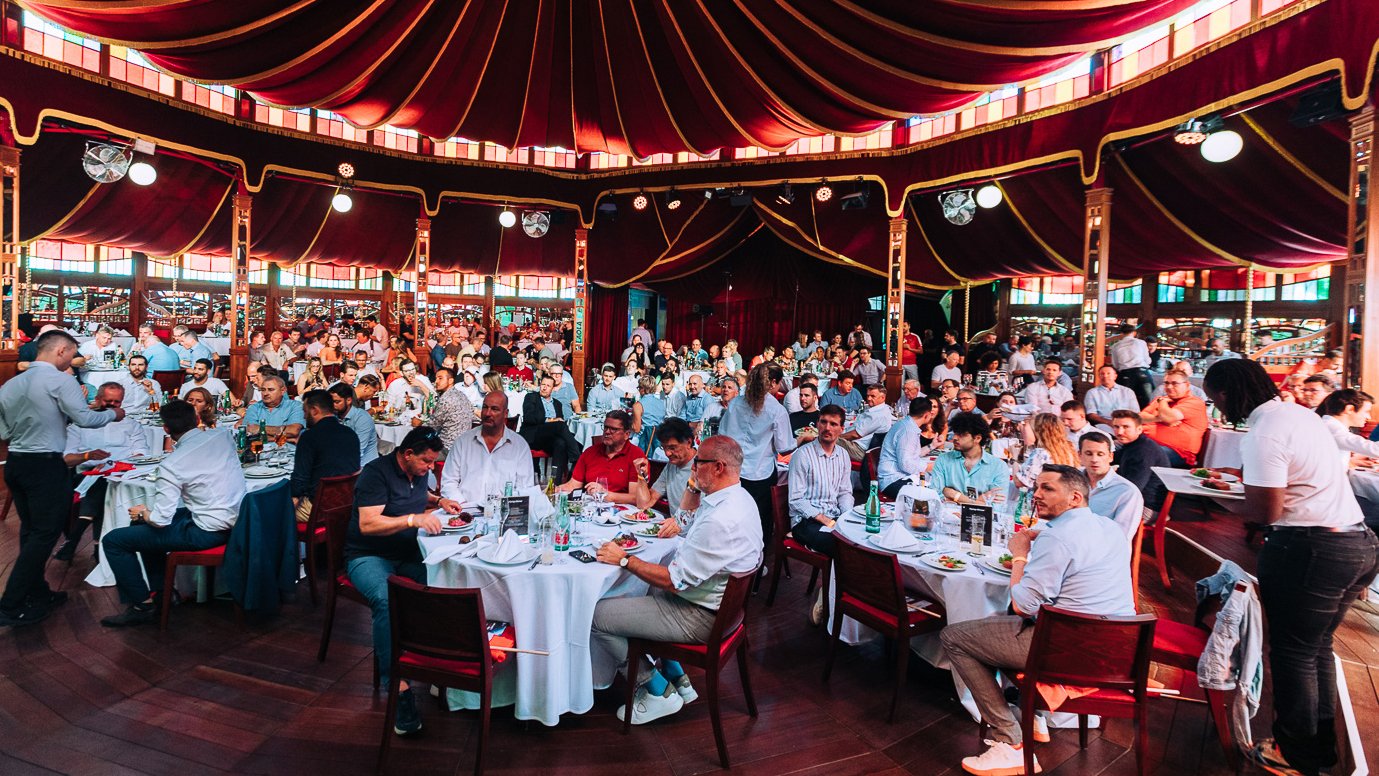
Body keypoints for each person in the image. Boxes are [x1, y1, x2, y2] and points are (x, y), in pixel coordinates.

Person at [1202, 359, 1379, 776]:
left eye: (1215, 400)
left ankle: (1295, 753)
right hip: (1356, 542)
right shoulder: (1300, 415)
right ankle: (1316, 748)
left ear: (1225, 394)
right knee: (1315, 648)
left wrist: (1215, 495)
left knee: (1293, 653)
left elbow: (1265, 511)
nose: (1218, 409)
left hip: (1311, 549)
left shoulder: (1263, 431)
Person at [941, 465, 1135, 776]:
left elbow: (1021, 605)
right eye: (1037, 487)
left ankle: (1010, 742)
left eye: (1047, 489)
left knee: (955, 637)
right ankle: (1032, 717)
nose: (1036, 494)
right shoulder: (1109, 528)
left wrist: (1020, 554)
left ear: (1074, 497)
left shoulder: (1058, 538)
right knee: (999, 629)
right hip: (1116, 649)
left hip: (1069, 650)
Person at [591, 435, 762, 724]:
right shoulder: (738, 499)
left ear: (718, 467)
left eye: (698, 463)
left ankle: (656, 690)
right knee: (643, 589)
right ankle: (677, 676)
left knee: (596, 616)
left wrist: (624, 559)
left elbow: (674, 581)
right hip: (723, 609)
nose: (692, 468)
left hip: (700, 616)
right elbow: (682, 523)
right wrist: (694, 486)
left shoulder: (720, 519)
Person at [0, 331, 125, 626]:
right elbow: (85, 419)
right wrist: (114, 415)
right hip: (45, 465)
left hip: (16, 462)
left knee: (31, 530)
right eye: (71, 354)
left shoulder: (11, 384)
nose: (73, 360)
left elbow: (3, 430)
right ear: (60, 351)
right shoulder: (61, 380)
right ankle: (10, 604)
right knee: (45, 533)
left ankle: (38, 592)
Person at [99, 401, 246, 627]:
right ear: (197, 419)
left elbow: (161, 520)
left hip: (207, 532)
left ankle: (141, 606)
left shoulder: (172, 465)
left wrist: (144, 512)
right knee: (139, 527)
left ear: (165, 429)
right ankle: (163, 593)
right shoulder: (222, 436)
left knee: (113, 541)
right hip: (237, 520)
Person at [345, 426, 447, 737]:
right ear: (407, 454)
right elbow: (368, 523)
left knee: (444, 584)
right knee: (386, 599)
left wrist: (439, 501)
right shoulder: (376, 474)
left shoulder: (418, 472)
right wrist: (413, 519)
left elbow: (417, 494)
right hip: (368, 555)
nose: (431, 467)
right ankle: (398, 687)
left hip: (406, 553)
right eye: (427, 461)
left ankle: (436, 666)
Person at [55, 382, 149, 562]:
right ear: (97, 399)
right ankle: (98, 547)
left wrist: (116, 466)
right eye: (108, 401)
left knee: (103, 484)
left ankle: (75, 539)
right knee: (101, 484)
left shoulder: (131, 425)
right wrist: (87, 456)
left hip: (122, 473)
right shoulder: (79, 426)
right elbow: (66, 458)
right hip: (86, 475)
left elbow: (141, 452)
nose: (112, 405)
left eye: (117, 402)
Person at [719, 363, 795, 542]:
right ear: (773, 382)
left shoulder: (736, 403)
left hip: (732, 470)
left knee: (732, 516)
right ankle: (757, 556)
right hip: (759, 473)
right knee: (760, 520)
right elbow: (784, 447)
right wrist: (800, 440)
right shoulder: (776, 410)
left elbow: (722, 433)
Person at [437, 391, 534, 508]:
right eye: (485, 407)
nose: (488, 413)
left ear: (505, 413)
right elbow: (448, 482)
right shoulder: (463, 442)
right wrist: (462, 506)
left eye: (494, 409)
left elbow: (525, 489)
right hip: (464, 510)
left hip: (502, 513)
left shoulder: (519, 446)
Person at [788, 404, 853, 564]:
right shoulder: (802, 455)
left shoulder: (843, 455)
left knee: (858, 540)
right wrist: (826, 521)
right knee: (842, 547)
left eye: (833, 424)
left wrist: (847, 518)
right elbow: (795, 500)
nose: (827, 428)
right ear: (817, 424)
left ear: (842, 429)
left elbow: (844, 492)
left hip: (833, 517)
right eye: (823, 422)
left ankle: (838, 579)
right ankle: (836, 581)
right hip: (806, 521)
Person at [290, 390, 362, 523]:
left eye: (305, 411)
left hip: (318, 508)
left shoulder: (309, 437)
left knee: (272, 510)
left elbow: (299, 481)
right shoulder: (350, 434)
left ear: (314, 410)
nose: (304, 417)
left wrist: (290, 503)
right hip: (346, 505)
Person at [559, 409, 648, 504]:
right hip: (590, 507)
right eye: (605, 427)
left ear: (627, 434)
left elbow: (636, 498)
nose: (607, 432)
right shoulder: (590, 452)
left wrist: (606, 494)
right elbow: (573, 485)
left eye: (613, 429)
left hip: (621, 510)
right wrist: (555, 489)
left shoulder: (636, 456)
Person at [929, 414, 1006, 505]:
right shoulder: (943, 460)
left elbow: (998, 506)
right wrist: (980, 502)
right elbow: (935, 496)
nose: (954, 438)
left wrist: (954, 495)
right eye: (955, 433)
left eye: (962, 435)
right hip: (948, 513)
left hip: (978, 515)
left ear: (977, 438)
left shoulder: (998, 466)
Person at [1079, 431, 1143, 539]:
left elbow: (1121, 536)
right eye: (1089, 454)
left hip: (1102, 547)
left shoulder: (1127, 492)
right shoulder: (1070, 480)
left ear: (1110, 457)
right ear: (1079, 455)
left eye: (1100, 454)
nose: (1094, 460)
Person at [1140, 369, 1209, 467]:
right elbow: (1139, 418)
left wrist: (1162, 404)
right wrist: (1159, 418)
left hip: (1178, 453)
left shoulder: (1194, 403)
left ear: (1187, 385)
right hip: (1146, 443)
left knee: (1142, 453)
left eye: (1174, 383)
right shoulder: (1160, 400)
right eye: (1166, 383)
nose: (1169, 387)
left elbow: (1168, 417)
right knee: (1118, 447)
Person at [520, 375, 582, 482]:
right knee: (561, 425)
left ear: (553, 389)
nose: (544, 388)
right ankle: (577, 458)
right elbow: (529, 418)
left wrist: (555, 422)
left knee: (560, 443)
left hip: (550, 438)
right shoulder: (531, 397)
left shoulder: (557, 404)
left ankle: (555, 483)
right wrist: (550, 420)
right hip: (534, 434)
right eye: (543, 384)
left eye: (548, 386)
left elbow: (559, 427)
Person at [630, 419, 698, 513]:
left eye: (672, 448)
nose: (667, 453)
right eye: (664, 448)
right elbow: (644, 504)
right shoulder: (671, 466)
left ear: (689, 442)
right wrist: (641, 476)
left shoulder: (703, 466)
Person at [1109, 409, 1169, 512]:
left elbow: (1132, 489)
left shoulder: (1143, 451)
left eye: (1126, 427)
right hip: (1135, 498)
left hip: (1146, 507)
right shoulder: (1132, 444)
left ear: (1139, 429)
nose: (1119, 432)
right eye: (1116, 427)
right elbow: (1111, 459)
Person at [878, 397, 938, 498]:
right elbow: (906, 465)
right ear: (927, 415)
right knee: (933, 494)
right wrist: (932, 466)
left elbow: (912, 454)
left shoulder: (907, 424)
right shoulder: (908, 431)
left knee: (936, 484)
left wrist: (932, 445)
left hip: (899, 477)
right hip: (893, 480)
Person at [1015, 412, 1080, 490]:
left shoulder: (1041, 453)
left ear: (1036, 432)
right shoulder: (1069, 448)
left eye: (1026, 427)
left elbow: (1020, 483)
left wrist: (1014, 458)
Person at [1318, 389, 1379, 467]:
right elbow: (1375, 449)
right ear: (1350, 409)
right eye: (1366, 411)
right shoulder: (1333, 429)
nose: (1368, 417)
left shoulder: (1326, 425)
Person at [837, 383, 893, 462]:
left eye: (873, 396)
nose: (869, 398)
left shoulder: (878, 415)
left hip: (860, 450)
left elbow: (855, 435)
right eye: (868, 396)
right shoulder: (880, 409)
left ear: (883, 398)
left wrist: (837, 437)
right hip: (859, 446)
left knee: (825, 438)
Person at [243, 374, 306, 441]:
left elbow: (293, 431)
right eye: (263, 390)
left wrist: (260, 428)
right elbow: (250, 432)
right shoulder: (254, 408)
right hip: (260, 447)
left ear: (283, 391)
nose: (265, 393)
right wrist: (286, 437)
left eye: (271, 390)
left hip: (285, 447)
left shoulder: (295, 406)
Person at [329, 382, 379, 465]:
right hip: (343, 463)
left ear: (349, 400)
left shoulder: (362, 418)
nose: (333, 405)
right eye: (330, 402)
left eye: (337, 402)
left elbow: (357, 451)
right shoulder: (333, 416)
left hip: (365, 466)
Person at [429, 368, 475, 451]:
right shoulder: (461, 395)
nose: (436, 381)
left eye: (440, 378)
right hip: (464, 445)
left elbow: (432, 426)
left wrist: (417, 426)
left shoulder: (446, 399)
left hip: (447, 447)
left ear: (450, 381)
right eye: (436, 378)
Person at [1109, 323, 1153, 407]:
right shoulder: (1141, 343)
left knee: (1125, 401)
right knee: (1147, 401)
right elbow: (1147, 360)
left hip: (1126, 374)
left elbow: (1115, 365)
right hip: (1142, 373)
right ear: (1134, 333)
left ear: (1121, 333)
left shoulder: (1115, 346)